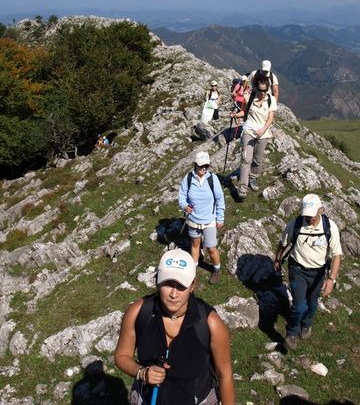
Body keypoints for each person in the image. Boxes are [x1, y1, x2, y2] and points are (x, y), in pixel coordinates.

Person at [114, 249, 235, 405]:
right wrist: (142, 373)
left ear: (193, 285)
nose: (173, 294)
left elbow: (225, 375)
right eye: (167, 283)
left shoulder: (210, 323)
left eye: (181, 286)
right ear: (157, 281)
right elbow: (121, 356)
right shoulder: (138, 312)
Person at [274, 194, 342, 351]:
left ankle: (307, 324)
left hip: (319, 273)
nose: (308, 218)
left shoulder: (330, 227)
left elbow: (337, 254)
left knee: (312, 303)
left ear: (321, 209)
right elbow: (283, 243)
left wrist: (331, 279)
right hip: (298, 269)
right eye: (306, 215)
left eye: (312, 215)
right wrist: (277, 260)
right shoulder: (296, 224)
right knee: (300, 305)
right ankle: (291, 333)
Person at [178, 151, 225, 284]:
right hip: (192, 219)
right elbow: (182, 195)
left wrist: (220, 218)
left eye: (206, 166)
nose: (204, 169)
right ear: (195, 165)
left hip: (209, 220)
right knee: (195, 244)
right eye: (201, 166)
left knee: (211, 248)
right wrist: (184, 206)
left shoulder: (212, 179)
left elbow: (220, 199)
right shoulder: (188, 178)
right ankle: (192, 272)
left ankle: (216, 270)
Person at [230, 74, 277, 199]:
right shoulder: (249, 97)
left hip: (263, 134)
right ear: (256, 88)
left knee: (257, 160)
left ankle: (253, 177)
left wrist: (262, 130)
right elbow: (244, 112)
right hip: (249, 132)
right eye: (260, 90)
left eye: (264, 90)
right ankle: (242, 188)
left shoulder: (271, 100)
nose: (262, 93)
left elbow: (270, 118)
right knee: (246, 159)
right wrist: (235, 115)